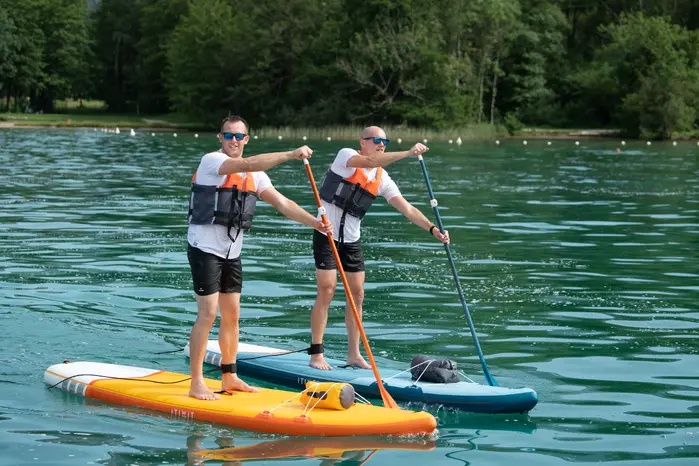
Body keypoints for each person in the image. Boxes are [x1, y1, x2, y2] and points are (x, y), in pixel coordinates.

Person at [187, 115, 332, 400]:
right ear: (220, 138)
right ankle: (196, 382)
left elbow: (283, 203)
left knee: (232, 315)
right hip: (204, 248)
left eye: (239, 136)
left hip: (232, 253)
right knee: (208, 313)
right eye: (228, 135)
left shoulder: (257, 177)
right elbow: (248, 163)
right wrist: (291, 154)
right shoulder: (212, 162)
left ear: (246, 139)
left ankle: (229, 376)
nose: (234, 141)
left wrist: (314, 223)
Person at [309, 126, 450, 370]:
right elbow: (371, 160)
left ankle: (353, 354)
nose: (382, 144)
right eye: (377, 140)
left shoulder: (382, 178)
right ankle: (316, 354)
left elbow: (407, 209)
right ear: (362, 142)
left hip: (352, 241)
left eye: (385, 141)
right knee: (327, 290)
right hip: (326, 235)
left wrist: (432, 229)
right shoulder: (346, 157)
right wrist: (407, 153)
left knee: (358, 295)